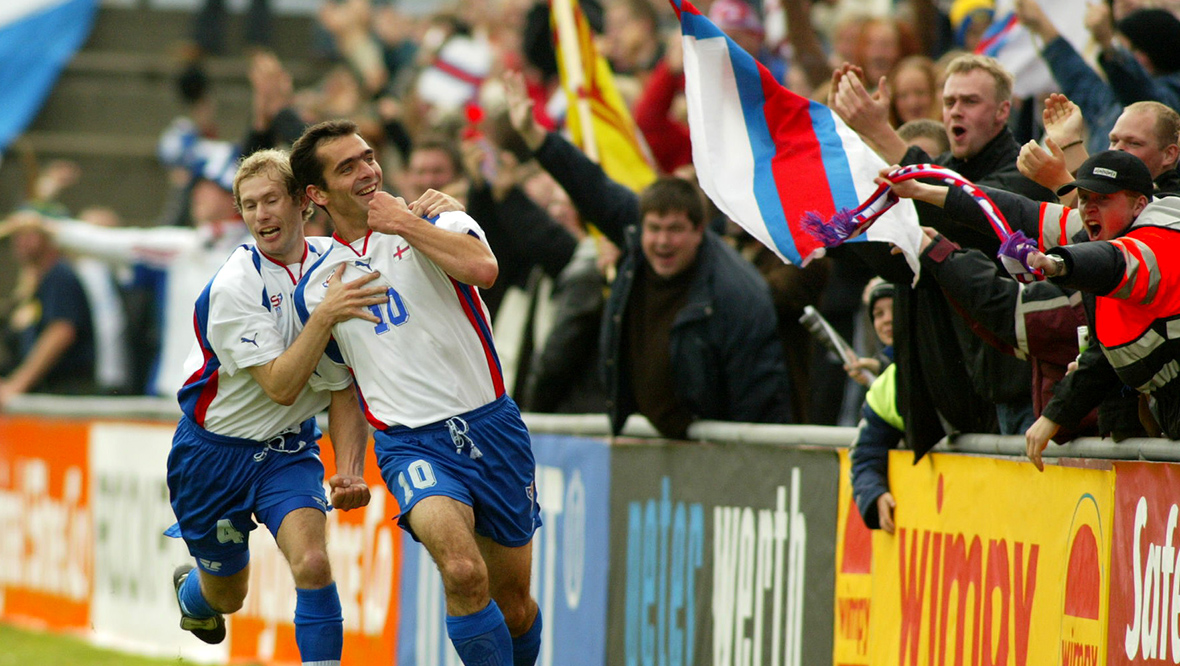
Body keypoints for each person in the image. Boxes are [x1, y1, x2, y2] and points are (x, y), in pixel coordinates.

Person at [288, 120, 543, 666]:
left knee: (515, 605)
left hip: (491, 427)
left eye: (369, 158)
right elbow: (346, 386)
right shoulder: (315, 285)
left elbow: (483, 268)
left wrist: (404, 223)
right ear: (316, 195)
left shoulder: (436, 216)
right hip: (413, 445)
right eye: (347, 167)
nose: (366, 172)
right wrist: (350, 466)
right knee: (462, 570)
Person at [165, 149, 387, 664]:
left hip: (288, 449)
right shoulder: (234, 287)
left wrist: (350, 470)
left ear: (302, 203)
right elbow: (282, 387)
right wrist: (325, 314)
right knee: (228, 597)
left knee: (312, 563)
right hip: (213, 455)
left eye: (271, 200)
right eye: (248, 205)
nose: (261, 214)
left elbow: (343, 386)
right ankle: (192, 592)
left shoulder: (339, 265)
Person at [503, 71, 793, 437]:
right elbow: (590, 185)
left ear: (698, 231)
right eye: (654, 229)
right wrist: (535, 136)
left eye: (674, 230)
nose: (661, 242)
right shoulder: (632, 227)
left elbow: (761, 403)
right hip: (643, 444)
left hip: (710, 449)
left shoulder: (739, 294)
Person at [885, 150, 1180, 465]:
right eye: (1083, 197)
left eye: (1103, 199)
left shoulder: (1157, 243)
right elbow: (1017, 213)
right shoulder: (1100, 230)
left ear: (1139, 205)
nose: (1089, 208)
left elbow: (1109, 262)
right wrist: (922, 192)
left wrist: (1055, 263)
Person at [830, 53, 1056, 453]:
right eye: (950, 101)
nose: (956, 111)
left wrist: (881, 133)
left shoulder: (1026, 171)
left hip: (1017, 391)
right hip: (957, 390)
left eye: (970, 101)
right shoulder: (941, 169)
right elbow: (897, 262)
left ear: (1003, 110)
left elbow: (966, 209)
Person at [0, 219, 95, 407]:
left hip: (63, 393)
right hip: (48, 392)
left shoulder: (59, 275)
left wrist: (17, 384)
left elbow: (60, 332)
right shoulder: (34, 283)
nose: (21, 241)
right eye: (17, 235)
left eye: (30, 234)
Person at [849, 281, 902, 532]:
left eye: (894, 308)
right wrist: (875, 494)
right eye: (878, 314)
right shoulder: (885, 386)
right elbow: (865, 456)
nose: (887, 320)